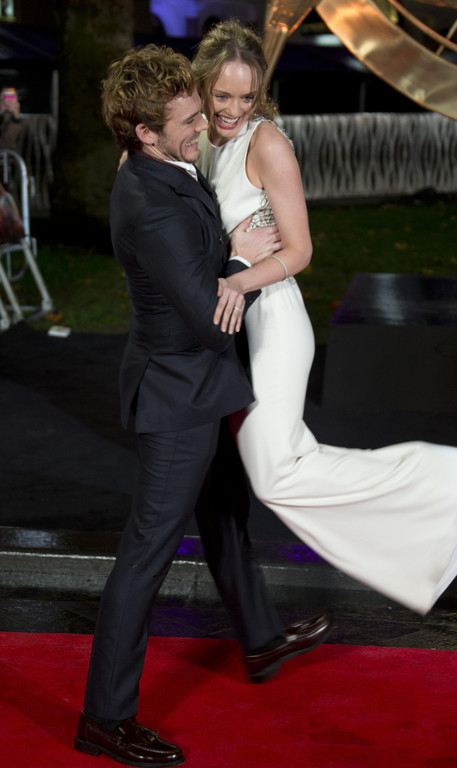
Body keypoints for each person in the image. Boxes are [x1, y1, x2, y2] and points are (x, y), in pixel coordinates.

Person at [74, 44, 332, 768]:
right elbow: (210, 318)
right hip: (179, 396)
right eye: (189, 121)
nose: (204, 129)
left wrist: (228, 248)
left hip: (200, 385)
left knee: (223, 512)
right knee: (145, 556)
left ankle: (260, 638)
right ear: (145, 132)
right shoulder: (150, 203)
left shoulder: (154, 165)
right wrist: (241, 257)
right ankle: (104, 718)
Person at [193, 19, 457, 617]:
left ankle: (446, 482)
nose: (234, 109)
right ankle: (433, 533)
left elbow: (300, 250)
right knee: (278, 469)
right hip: (231, 329)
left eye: (247, 96)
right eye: (223, 95)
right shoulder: (202, 140)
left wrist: (237, 277)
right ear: (203, 85)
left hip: (272, 322)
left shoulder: (267, 143)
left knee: (278, 474)